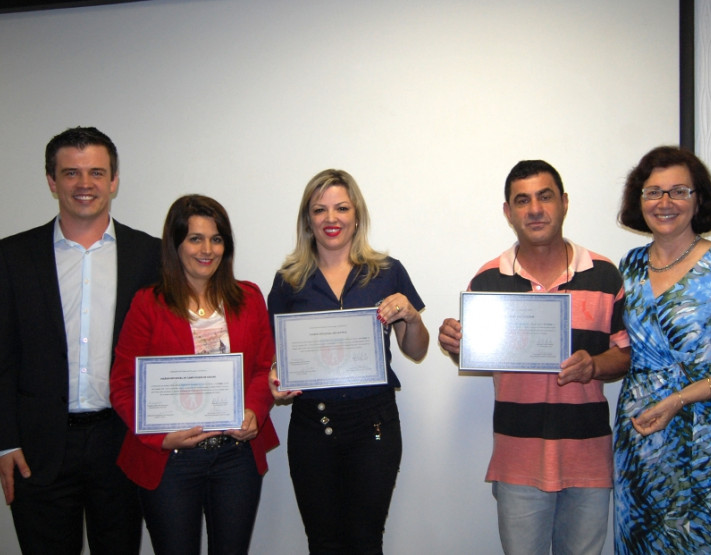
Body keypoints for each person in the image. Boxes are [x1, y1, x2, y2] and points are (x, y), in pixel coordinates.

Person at [438, 160, 631, 555]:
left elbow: (625, 356)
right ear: (508, 212)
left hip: (588, 458)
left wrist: (594, 365)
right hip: (517, 459)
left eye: (545, 197)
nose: (535, 209)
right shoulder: (487, 280)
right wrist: (455, 341)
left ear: (563, 202)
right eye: (522, 201)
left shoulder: (605, 274)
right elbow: (478, 351)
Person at [0, 126, 159, 553]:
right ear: (52, 182)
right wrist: (3, 442)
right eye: (71, 173)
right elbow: (0, 356)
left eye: (97, 172)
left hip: (120, 443)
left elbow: (166, 349)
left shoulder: (149, 255)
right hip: (38, 448)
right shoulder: (15, 254)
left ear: (114, 181)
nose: (85, 184)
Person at [612, 146, 711, 554]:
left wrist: (681, 398)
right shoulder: (628, 265)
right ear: (639, 200)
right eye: (653, 192)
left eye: (678, 191)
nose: (665, 203)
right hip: (639, 432)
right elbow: (616, 344)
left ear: (698, 198)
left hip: (704, 433)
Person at [267, 169, 429, 554]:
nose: (331, 218)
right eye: (319, 210)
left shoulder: (388, 272)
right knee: (323, 543)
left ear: (357, 214)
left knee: (365, 540)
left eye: (341, 207)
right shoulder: (288, 280)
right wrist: (276, 382)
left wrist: (411, 315)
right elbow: (276, 359)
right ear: (308, 220)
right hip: (311, 427)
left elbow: (417, 351)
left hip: (374, 426)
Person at [109, 195, 279, 554]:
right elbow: (123, 386)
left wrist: (254, 411)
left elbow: (264, 367)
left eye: (216, 239)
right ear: (176, 244)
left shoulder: (248, 298)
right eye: (195, 238)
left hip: (235, 457)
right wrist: (160, 438)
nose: (207, 249)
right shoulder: (147, 304)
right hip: (171, 462)